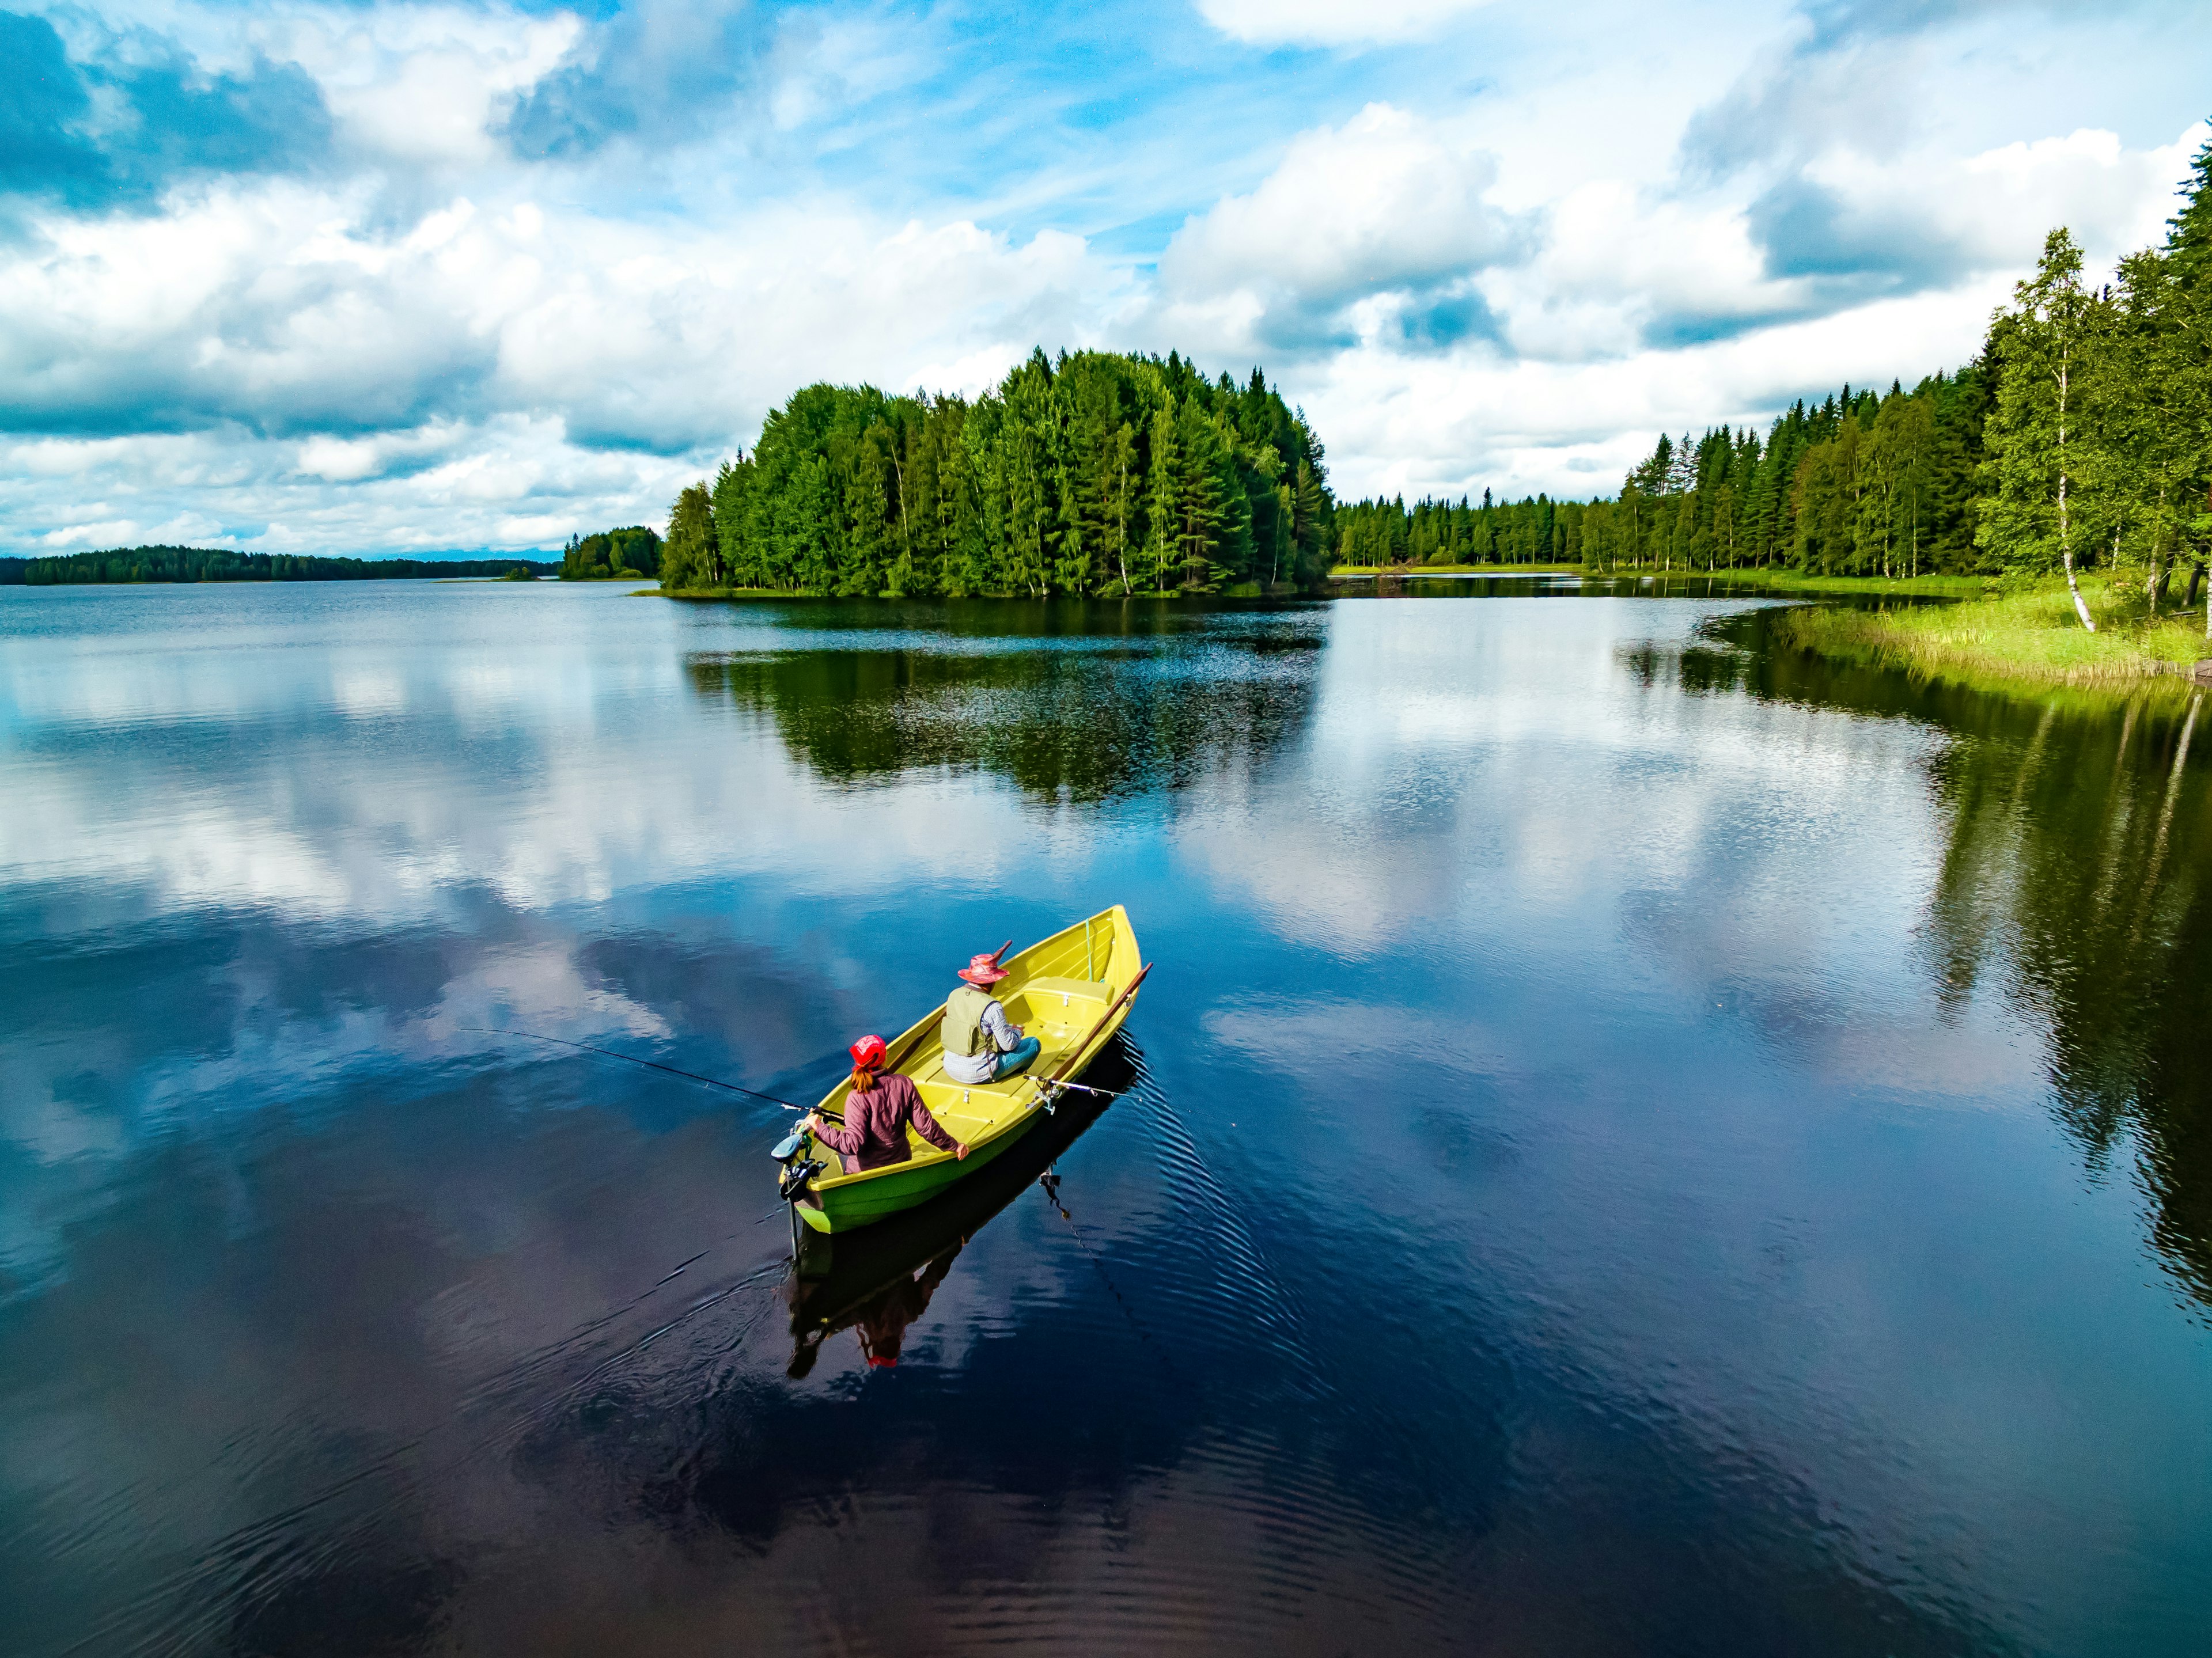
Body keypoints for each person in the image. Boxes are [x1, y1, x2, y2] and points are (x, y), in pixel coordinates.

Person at [806, 1035, 968, 1174]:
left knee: (838, 1154)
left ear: (858, 1061)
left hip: (866, 1173)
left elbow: (850, 1145)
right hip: (900, 1163)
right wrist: (954, 1146)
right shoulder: (904, 1084)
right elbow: (926, 1127)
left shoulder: (856, 1097)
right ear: (883, 1058)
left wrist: (819, 1127)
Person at [941, 948, 1043, 1086]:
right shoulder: (993, 1007)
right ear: (991, 981)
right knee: (1033, 1044)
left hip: (951, 1068)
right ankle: (1014, 1074)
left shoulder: (954, 995)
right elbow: (1009, 1045)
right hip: (979, 1073)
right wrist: (1017, 1032)